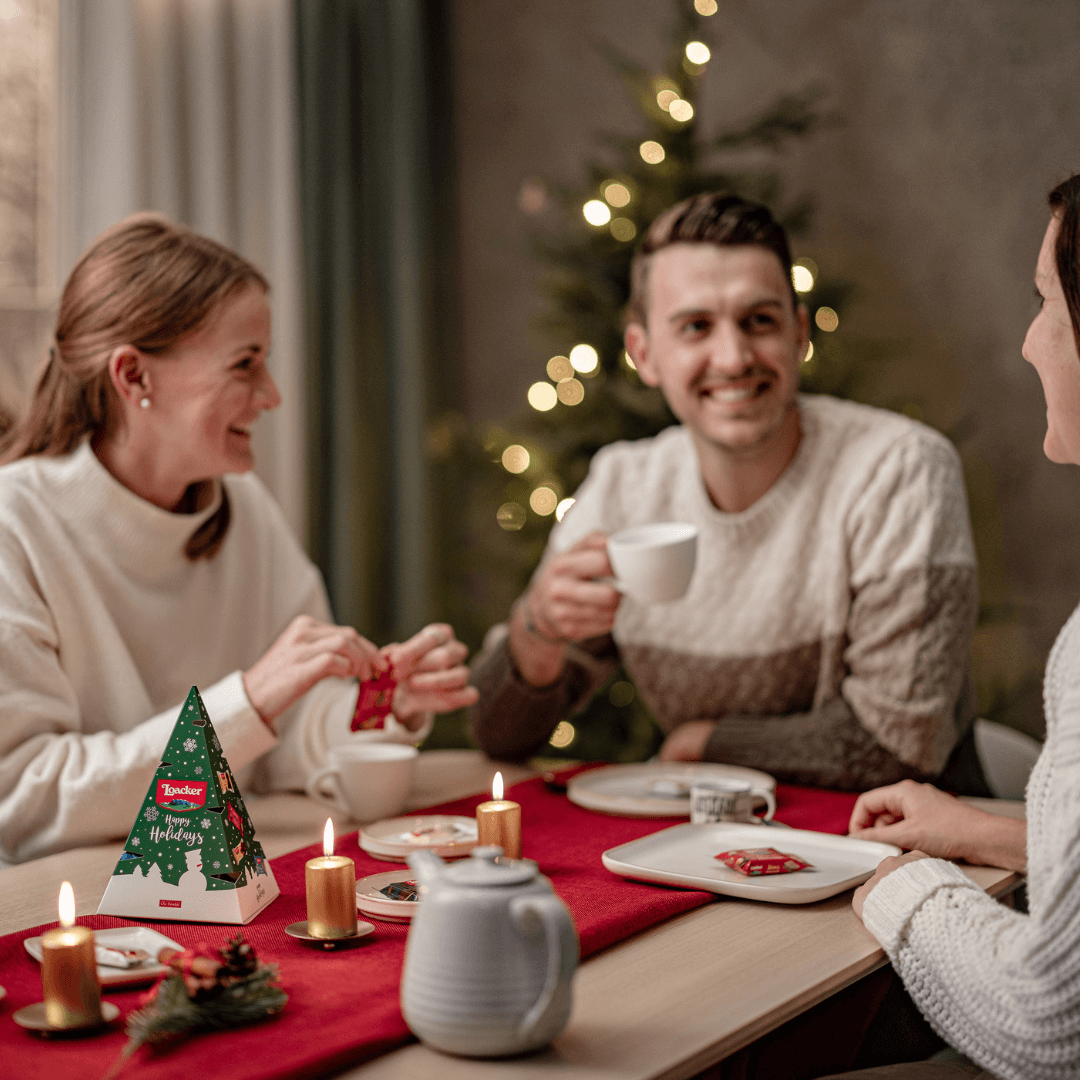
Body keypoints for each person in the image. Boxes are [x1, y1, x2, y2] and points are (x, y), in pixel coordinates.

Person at [0, 214, 478, 864]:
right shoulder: (16, 525)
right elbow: (25, 800)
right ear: (134, 376)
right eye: (245, 364)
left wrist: (375, 706)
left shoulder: (241, 509)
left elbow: (279, 736)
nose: (272, 395)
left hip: (227, 885)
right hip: (79, 906)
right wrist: (245, 700)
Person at [469, 193, 980, 792]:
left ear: (799, 334)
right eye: (695, 327)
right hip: (714, 854)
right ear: (645, 355)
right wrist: (537, 630)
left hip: (905, 853)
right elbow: (497, 735)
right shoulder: (625, 486)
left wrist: (704, 743)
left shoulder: (899, 471)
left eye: (759, 321)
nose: (734, 358)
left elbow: (897, 746)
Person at [829, 175, 1080, 1080]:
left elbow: (1052, 1021)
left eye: (1047, 304)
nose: (1027, 341)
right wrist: (983, 832)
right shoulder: (629, 479)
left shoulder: (897, 469)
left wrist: (903, 888)